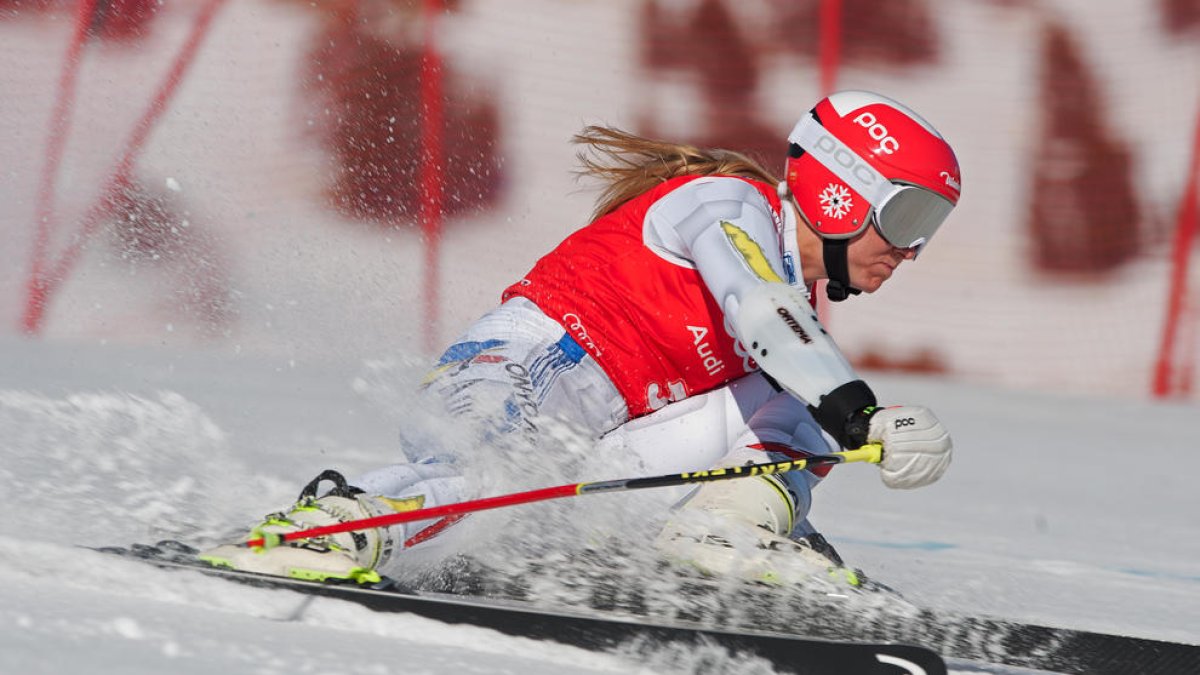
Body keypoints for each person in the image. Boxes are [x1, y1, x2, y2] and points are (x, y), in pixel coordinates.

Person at [200, 90, 961, 587]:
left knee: (800, 416)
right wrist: (863, 412)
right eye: (907, 219)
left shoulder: (796, 307)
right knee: (495, 486)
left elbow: (782, 343)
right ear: (840, 191)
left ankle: (727, 537)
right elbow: (760, 310)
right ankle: (338, 527)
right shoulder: (727, 203)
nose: (910, 250)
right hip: (524, 370)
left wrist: (840, 427)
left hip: (599, 438)